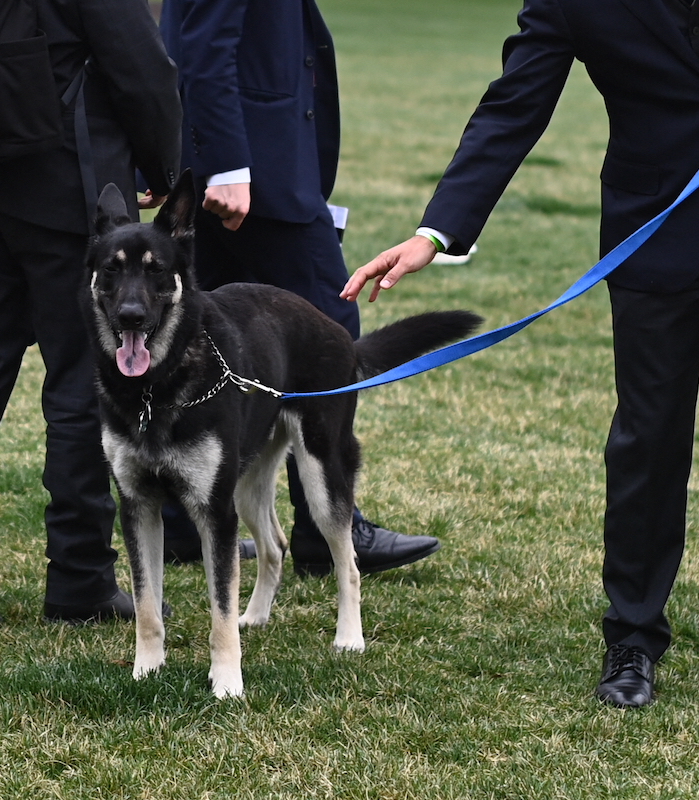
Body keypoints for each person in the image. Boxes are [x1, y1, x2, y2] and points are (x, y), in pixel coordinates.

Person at [343, 0, 699, 710]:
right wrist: (437, 232)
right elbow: (514, 105)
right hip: (656, 224)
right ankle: (632, 638)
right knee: (649, 433)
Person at [0, 0, 182, 636]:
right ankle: (80, 576)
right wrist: (162, 166)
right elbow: (142, 66)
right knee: (82, 380)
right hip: (64, 183)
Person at [156, 0, 442, 577]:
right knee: (329, 336)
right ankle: (326, 526)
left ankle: (187, 518)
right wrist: (231, 165)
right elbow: (205, 39)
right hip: (254, 172)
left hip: (239, 159)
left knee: (202, 336)